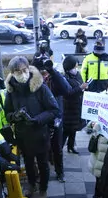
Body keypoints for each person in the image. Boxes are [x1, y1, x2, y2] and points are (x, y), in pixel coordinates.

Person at [4, 56, 60, 198]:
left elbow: (54, 109)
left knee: (42, 163)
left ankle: (43, 188)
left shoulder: (40, 86)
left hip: (40, 133)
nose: (22, 74)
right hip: (23, 135)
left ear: (28, 69)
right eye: (18, 71)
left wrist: (37, 120)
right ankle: (31, 183)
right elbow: (7, 113)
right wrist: (15, 116)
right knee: (28, 161)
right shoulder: (11, 90)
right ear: (12, 73)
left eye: (24, 70)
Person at [32, 54, 71, 182]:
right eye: (41, 72)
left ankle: (60, 172)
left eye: (45, 73)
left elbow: (67, 89)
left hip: (56, 119)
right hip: (41, 119)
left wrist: (52, 71)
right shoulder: (33, 82)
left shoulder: (54, 78)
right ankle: (43, 173)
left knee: (57, 148)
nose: (44, 75)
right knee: (40, 148)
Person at [63, 55, 88, 154]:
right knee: (66, 131)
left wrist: (85, 87)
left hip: (77, 107)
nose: (76, 69)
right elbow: (68, 93)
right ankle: (57, 151)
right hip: (69, 109)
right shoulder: (64, 78)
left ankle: (71, 146)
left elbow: (80, 86)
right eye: (74, 67)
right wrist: (80, 88)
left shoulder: (77, 74)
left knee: (73, 130)